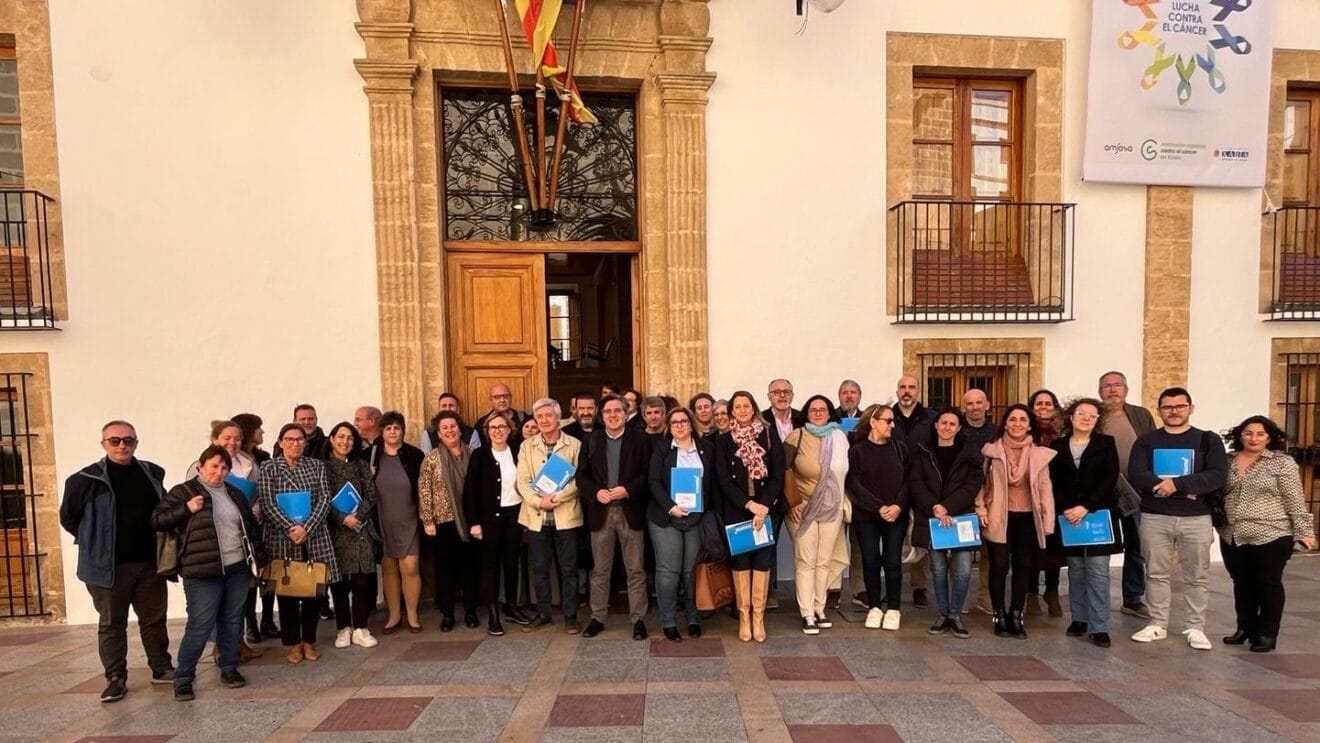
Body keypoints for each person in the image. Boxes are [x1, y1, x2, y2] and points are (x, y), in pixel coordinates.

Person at [59, 420, 174, 703]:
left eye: (128, 440)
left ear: (136, 443)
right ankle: (115, 678)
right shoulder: (84, 480)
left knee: (154, 620)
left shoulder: (152, 473)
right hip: (108, 568)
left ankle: (161, 667)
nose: (122, 445)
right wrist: (96, 542)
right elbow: (69, 518)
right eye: (115, 441)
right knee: (112, 623)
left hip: (150, 564)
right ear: (103, 444)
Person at [152, 445, 265, 701]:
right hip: (202, 571)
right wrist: (186, 509)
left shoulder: (234, 493)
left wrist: (260, 559)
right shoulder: (184, 492)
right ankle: (183, 677)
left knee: (232, 620)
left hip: (237, 567)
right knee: (200, 625)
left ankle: (228, 668)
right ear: (200, 466)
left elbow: (250, 529)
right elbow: (157, 520)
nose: (219, 471)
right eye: (214, 466)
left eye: (224, 467)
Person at [1128, 387, 1228, 650]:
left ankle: (1196, 627)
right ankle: (1157, 623)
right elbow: (1137, 474)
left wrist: (1177, 484)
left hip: (1196, 518)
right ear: (1159, 410)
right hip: (1155, 517)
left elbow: (1217, 476)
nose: (1173, 411)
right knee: (1155, 573)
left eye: (1179, 406)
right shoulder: (1146, 441)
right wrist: (1182, 489)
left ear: (1190, 408)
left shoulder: (1208, 440)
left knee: (1196, 574)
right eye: (1167, 407)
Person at [1220, 415, 1317, 652]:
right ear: (1239, 435)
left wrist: (1304, 531)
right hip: (1232, 533)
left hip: (1271, 533)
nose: (1253, 438)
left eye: (1260, 434)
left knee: (1268, 584)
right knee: (1241, 583)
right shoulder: (1227, 460)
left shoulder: (1281, 463)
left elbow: (1294, 499)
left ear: (1269, 437)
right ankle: (1245, 627)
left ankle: (1267, 633)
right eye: (1248, 433)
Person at [257, 423, 340, 664]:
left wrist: (307, 527)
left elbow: (325, 498)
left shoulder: (316, 466)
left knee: (314, 592)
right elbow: (266, 501)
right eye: (290, 439)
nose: (296, 444)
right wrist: (290, 528)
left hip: (313, 537)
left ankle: (309, 641)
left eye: (300, 440)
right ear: (281, 442)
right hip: (283, 538)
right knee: (288, 593)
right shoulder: (269, 467)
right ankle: (293, 643)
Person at [976, 404, 1056, 639]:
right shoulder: (991, 452)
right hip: (999, 514)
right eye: (1012, 419)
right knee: (999, 565)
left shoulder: (1039, 454)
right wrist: (980, 508)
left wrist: (1048, 520)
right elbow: (981, 483)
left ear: (1030, 425)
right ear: (1005, 423)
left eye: (1022, 420)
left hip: (1027, 517)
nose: (1017, 424)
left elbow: (1045, 488)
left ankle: (1016, 614)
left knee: (1023, 566)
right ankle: (999, 613)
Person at [1048, 398, 1122, 648]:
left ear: (1097, 420)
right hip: (1068, 516)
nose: (1086, 419)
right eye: (1082, 414)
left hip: (1098, 515)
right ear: (1071, 417)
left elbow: (1109, 478)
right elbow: (1053, 481)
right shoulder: (1057, 446)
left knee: (1098, 571)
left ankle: (1099, 626)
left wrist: (1085, 507)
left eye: (1092, 416)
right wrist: (1067, 508)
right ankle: (1079, 618)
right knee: (1076, 570)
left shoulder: (1106, 443)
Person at [578, 394, 653, 640]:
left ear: (626, 412)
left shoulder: (640, 439)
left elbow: (648, 474)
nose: (613, 415)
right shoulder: (592, 440)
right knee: (600, 570)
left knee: (636, 570)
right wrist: (595, 492)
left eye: (617, 411)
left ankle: (638, 619)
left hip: (630, 511)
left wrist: (629, 489)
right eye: (608, 411)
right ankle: (597, 617)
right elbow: (581, 476)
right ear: (602, 416)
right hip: (601, 513)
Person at [183, 420, 262, 651]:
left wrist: (252, 513)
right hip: (211, 544)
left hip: (241, 541)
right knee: (216, 601)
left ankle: (237, 642)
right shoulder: (202, 465)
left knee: (238, 598)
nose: (233, 442)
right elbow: (192, 498)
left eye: (237, 438)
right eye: (227, 438)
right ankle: (221, 648)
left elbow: (257, 498)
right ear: (214, 439)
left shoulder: (249, 464)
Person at [715, 390, 786, 643]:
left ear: (753, 408)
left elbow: (778, 475)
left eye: (747, 406)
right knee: (741, 563)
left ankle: (759, 616)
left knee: (763, 563)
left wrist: (763, 506)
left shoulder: (768, 435)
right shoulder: (724, 441)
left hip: (767, 512)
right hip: (737, 511)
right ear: (732, 411)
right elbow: (723, 480)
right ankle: (744, 616)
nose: (742, 410)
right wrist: (749, 505)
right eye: (738, 407)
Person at [910, 409, 983, 638]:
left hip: (960, 517)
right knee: (938, 570)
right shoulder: (923, 451)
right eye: (943, 422)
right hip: (932, 518)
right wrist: (936, 507)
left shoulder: (970, 452)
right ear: (936, 425)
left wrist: (948, 507)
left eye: (953, 423)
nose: (947, 427)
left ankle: (955, 614)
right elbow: (916, 483)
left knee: (962, 571)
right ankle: (942, 613)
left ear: (959, 427)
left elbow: (973, 484)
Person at [782, 395, 850, 636]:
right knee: (806, 560)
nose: (818, 413)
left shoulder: (840, 438)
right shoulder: (797, 436)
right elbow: (783, 470)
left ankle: (820, 608)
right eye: (814, 409)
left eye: (823, 409)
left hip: (832, 507)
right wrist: (792, 502)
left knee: (824, 560)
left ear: (830, 412)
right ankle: (807, 613)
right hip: (804, 507)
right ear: (807, 413)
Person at [516, 397, 584, 634]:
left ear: (558, 418)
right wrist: (539, 501)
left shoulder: (574, 444)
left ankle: (571, 616)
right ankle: (543, 613)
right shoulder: (527, 446)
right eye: (539, 417)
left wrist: (555, 498)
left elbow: (578, 480)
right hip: (536, 517)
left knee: (569, 569)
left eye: (548, 416)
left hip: (566, 516)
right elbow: (522, 482)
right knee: (540, 568)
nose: (544, 420)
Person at [648, 406, 713, 641]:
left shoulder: (706, 449)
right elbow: (653, 481)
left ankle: (693, 618)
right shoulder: (662, 448)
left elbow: (712, 483)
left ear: (691, 423)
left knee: (690, 572)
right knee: (669, 572)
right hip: (666, 518)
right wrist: (671, 507)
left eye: (683, 421)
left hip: (696, 518)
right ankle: (668, 621)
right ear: (669, 426)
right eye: (674, 422)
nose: (679, 425)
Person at [463, 410, 530, 635]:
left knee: (512, 563)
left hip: (514, 516)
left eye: (502, 427)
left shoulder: (518, 452)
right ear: (487, 432)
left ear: (510, 430)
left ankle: (511, 606)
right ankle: (493, 613)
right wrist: (474, 522)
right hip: (489, 519)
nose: (498, 431)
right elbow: (470, 492)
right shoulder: (479, 455)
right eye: (493, 428)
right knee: (490, 566)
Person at [844, 403, 909, 632]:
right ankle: (874, 607)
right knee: (870, 561)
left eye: (893, 421)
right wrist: (878, 507)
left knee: (892, 562)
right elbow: (853, 483)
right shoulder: (857, 451)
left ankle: (893, 608)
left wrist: (898, 506)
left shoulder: (900, 448)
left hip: (895, 516)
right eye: (887, 420)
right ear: (873, 422)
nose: (892, 425)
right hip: (867, 516)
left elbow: (908, 482)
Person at [1099, 370, 1156, 620]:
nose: (1112, 389)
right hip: (1103, 492)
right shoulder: (1095, 415)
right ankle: (1098, 599)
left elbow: (1154, 446)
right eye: (1107, 386)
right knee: (1100, 546)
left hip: (1136, 492)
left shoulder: (1141, 415)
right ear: (1100, 391)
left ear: (1126, 389)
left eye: (1117, 385)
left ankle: (1132, 598)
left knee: (1137, 545)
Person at [418, 410, 481, 631]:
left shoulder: (474, 454)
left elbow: (481, 487)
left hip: (470, 521)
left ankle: (471, 612)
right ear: (439, 433)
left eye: (453, 426)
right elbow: (424, 490)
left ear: (459, 429)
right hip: (443, 522)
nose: (449, 431)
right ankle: (448, 615)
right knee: (445, 571)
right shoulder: (432, 458)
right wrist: (428, 520)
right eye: (444, 428)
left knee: (470, 569)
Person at [321, 422, 381, 649]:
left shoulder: (361, 466)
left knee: (361, 582)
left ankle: (361, 628)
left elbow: (371, 495)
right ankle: (343, 627)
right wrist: (341, 518)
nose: (345, 442)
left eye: (350, 439)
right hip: (336, 531)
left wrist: (359, 515)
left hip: (360, 530)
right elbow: (322, 498)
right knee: (338, 583)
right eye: (341, 437)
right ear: (332, 438)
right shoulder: (322, 468)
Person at [370, 411, 425, 634]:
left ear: (403, 430)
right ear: (382, 432)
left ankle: (411, 614)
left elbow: (424, 488)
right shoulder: (371, 456)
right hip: (382, 519)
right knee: (389, 569)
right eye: (388, 428)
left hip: (409, 518)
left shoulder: (415, 455)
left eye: (396, 427)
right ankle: (394, 616)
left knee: (410, 567)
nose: (392, 432)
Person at [892, 375, 936, 609]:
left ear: (918, 391)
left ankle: (919, 586)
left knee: (920, 535)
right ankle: (893, 585)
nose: (906, 391)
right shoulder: (888, 416)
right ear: (897, 391)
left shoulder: (931, 418)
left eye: (911, 387)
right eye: (902, 387)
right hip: (894, 486)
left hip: (923, 485)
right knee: (894, 537)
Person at [232, 412, 277, 637]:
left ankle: (268, 620)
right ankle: (251, 624)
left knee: (268, 572)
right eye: (258, 428)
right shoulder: (229, 461)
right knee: (249, 577)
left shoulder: (264, 457)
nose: (262, 432)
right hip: (241, 525)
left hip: (263, 522)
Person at [1026, 388, 1064, 618]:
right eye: (1038, 403)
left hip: (1057, 496)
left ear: (1055, 407)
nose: (1043, 407)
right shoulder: (1026, 433)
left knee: (1053, 547)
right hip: (1030, 496)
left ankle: (1052, 591)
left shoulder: (1063, 434)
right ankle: (1031, 594)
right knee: (1031, 547)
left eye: (1047, 404)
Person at [962, 388, 995, 615]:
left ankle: (986, 597)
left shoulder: (997, 433)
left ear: (988, 405)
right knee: (959, 553)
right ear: (963, 407)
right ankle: (959, 599)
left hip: (992, 498)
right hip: (962, 497)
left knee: (990, 552)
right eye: (970, 403)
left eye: (979, 402)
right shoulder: (956, 431)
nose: (974, 407)